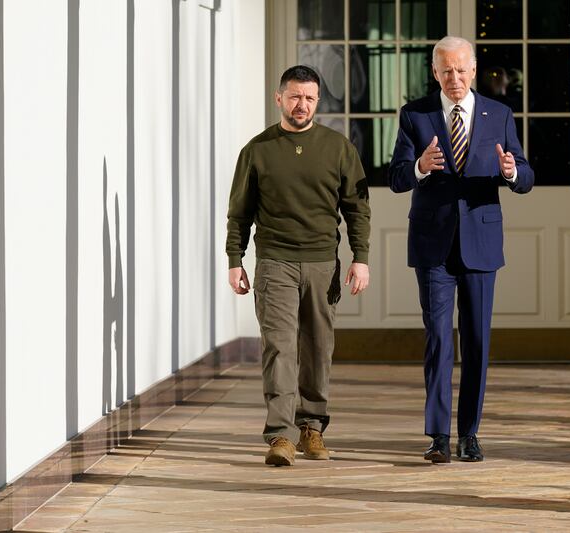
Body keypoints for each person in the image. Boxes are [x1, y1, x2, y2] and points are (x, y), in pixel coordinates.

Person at [388, 36, 533, 463]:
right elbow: (396, 177)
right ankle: (437, 436)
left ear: (474, 70)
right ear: (435, 72)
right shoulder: (415, 115)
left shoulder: (500, 114)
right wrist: (419, 167)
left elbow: (525, 174)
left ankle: (469, 433)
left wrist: (510, 172)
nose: (455, 78)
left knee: (477, 341)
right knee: (438, 340)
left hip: (482, 244)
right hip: (433, 245)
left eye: (462, 70)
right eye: (446, 71)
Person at [226, 65, 371, 467]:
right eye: (294, 97)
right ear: (279, 98)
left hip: (323, 264)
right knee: (280, 348)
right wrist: (235, 260)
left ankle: (312, 428)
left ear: (318, 101)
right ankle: (281, 435)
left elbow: (358, 209)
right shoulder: (257, 150)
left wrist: (361, 258)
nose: (301, 105)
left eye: (308, 98)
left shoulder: (338, 148)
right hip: (275, 264)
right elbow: (239, 213)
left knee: (318, 350)